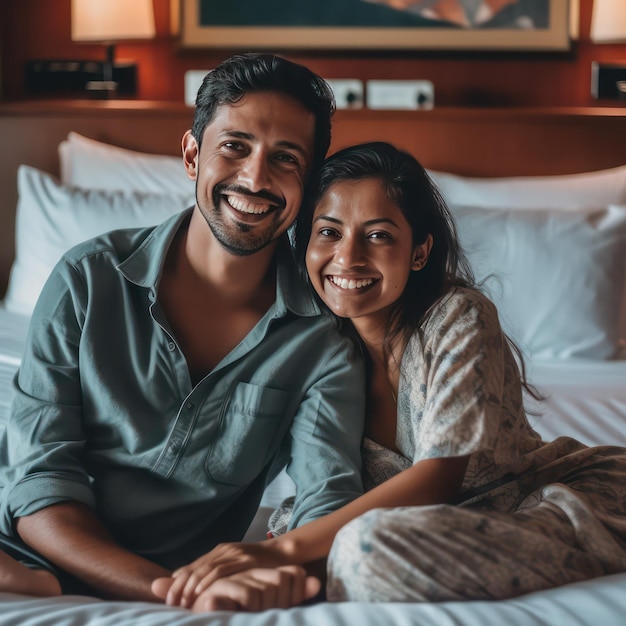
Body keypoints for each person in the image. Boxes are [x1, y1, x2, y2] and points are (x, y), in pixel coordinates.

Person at [157, 141, 626, 612]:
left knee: (364, 547)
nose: (348, 258)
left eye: (378, 235)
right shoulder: (309, 344)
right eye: (329, 232)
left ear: (420, 251)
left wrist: (277, 553)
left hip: (552, 501)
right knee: (334, 536)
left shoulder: (457, 316)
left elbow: (437, 480)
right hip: (421, 532)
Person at [0, 54, 366, 601]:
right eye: (235, 146)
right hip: (40, 547)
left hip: (190, 576)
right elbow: (38, 482)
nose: (255, 178)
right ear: (193, 155)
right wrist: (172, 591)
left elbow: (327, 498)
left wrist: (290, 568)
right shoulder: (86, 278)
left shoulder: (323, 337)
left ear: (310, 184)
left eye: (285, 158)